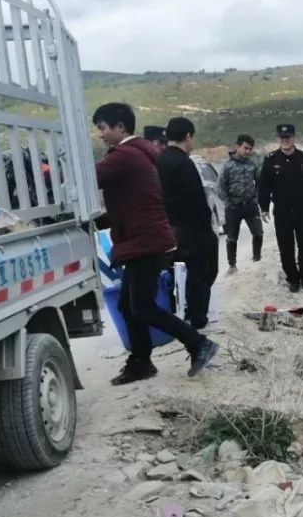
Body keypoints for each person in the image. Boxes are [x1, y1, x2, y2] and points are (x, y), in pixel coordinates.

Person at [92, 102, 218, 384]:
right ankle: (141, 362)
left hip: (144, 242)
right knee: (128, 306)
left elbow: (89, 179)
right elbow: (133, 204)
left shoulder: (124, 155)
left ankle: (198, 344)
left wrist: (49, 173)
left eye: (102, 128)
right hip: (145, 239)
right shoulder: (140, 153)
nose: (100, 134)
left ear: (120, 127)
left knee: (142, 307)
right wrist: (99, 222)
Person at [156, 117, 219, 330]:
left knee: (177, 274)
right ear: (188, 136)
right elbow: (195, 199)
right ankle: (197, 317)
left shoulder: (160, 160)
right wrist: (207, 228)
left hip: (167, 226)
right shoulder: (183, 163)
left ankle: (179, 313)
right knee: (202, 271)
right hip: (190, 228)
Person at [258, 123, 303, 293]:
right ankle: (293, 279)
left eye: (288, 137)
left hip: (302, 209)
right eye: (282, 137)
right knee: (286, 246)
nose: (285, 140)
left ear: (294, 138)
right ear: (278, 138)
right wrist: (264, 207)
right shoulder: (271, 160)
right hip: (282, 211)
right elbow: (264, 186)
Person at [218, 134, 263, 274]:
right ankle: (232, 265)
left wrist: (256, 199)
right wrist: (228, 202)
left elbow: (259, 183)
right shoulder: (227, 165)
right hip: (233, 207)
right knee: (232, 238)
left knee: (258, 233)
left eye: (250, 149)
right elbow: (221, 187)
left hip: (250, 205)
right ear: (237, 146)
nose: (247, 151)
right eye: (245, 148)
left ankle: (257, 259)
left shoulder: (252, 164)